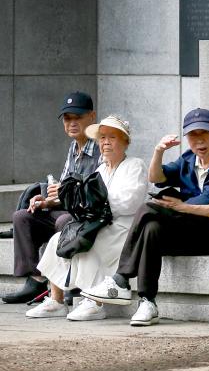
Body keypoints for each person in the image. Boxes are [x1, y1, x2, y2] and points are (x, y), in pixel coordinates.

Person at [84, 108, 209, 326]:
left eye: (205, 133)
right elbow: (156, 177)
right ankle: (147, 302)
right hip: (189, 232)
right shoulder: (188, 160)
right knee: (152, 227)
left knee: (148, 209)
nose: (199, 140)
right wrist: (159, 150)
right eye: (192, 135)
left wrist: (182, 208)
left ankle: (121, 279)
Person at [25, 115, 147, 320]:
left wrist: (96, 203)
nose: (106, 142)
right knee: (60, 239)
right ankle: (56, 301)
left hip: (124, 228)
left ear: (125, 142)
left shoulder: (136, 165)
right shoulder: (100, 169)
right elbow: (87, 201)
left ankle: (94, 303)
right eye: (103, 138)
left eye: (113, 137)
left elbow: (131, 202)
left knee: (88, 243)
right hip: (98, 223)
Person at [2, 91, 100, 305]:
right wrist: (46, 201)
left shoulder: (103, 147)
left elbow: (102, 192)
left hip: (89, 213)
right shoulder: (74, 147)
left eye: (78, 117)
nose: (72, 123)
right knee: (22, 217)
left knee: (64, 221)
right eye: (67, 118)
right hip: (70, 208)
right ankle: (36, 280)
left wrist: (66, 192)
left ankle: (70, 282)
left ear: (92, 117)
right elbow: (64, 191)